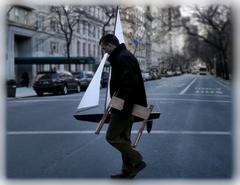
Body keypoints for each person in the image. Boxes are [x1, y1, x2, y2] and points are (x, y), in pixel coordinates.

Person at [99, 34, 147, 179]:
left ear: (111, 44)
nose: (105, 51)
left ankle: (137, 160)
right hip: (126, 105)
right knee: (124, 139)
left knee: (112, 137)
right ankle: (127, 170)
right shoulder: (123, 56)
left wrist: (122, 106)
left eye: (104, 48)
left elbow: (130, 84)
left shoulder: (122, 57)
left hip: (123, 106)